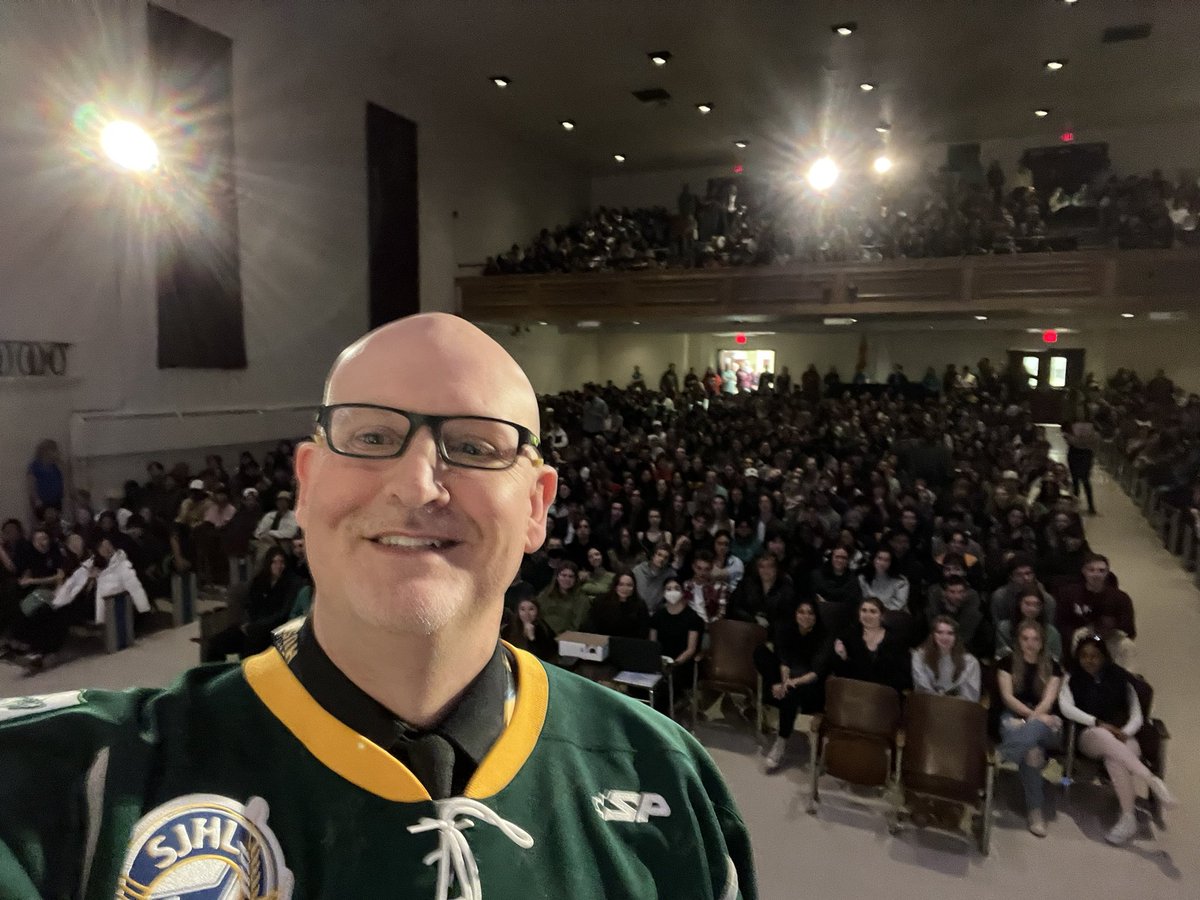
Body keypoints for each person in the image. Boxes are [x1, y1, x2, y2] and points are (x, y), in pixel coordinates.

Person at [0, 313, 756, 898]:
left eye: (477, 447)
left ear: (538, 505)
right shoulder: (82, 782)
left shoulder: (667, 778)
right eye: (370, 436)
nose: (418, 484)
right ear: (306, 482)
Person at [1058, 637, 1177, 844]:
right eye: (1084, 656)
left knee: (1117, 758)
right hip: (1089, 736)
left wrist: (1125, 732)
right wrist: (1096, 722)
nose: (1089, 660)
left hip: (1122, 735)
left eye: (1095, 656)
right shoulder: (1072, 678)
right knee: (1104, 736)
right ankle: (1151, 779)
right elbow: (1066, 707)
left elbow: (1137, 714)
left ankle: (1128, 818)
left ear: (1104, 657)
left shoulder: (1120, 678)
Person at [996, 619, 1064, 837]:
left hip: (1045, 721)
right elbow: (1007, 697)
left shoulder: (1053, 667)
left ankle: (1001, 755)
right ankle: (1035, 812)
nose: (1030, 643)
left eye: (1035, 639)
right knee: (1032, 754)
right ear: (1018, 640)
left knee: (1038, 730)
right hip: (1015, 716)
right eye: (1025, 639)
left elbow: (1048, 702)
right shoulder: (1006, 663)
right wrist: (1031, 719)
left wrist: (1030, 721)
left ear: (1042, 642)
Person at [760, 600, 829, 772]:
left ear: (815, 617)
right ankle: (778, 689)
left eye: (810, 613)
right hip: (789, 682)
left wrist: (793, 683)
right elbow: (785, 661)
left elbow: (816, 673)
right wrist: (783, 682)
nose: (805, 616)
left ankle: (781, 742)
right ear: (795, 614)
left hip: (812, 687)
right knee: (760, 652)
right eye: (801, 612)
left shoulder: (823, 637)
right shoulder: (788, 631)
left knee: (791, 694)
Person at [202, 547, 304, 662]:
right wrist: (246, 624)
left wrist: (256, 626)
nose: (278, 566)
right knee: (215, 643)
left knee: (251, 645)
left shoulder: (292, 583)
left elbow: (282, 614)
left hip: (271, 629)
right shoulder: (259, 581)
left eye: (282, 562)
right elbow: (250, 606)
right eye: (275, 562)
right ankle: (214, 675)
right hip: (251, 626)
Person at [832, 597, 910, 694]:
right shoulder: (849, 637)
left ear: (881, 616)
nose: (867, 615)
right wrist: (843, 658)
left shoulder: (895, 640)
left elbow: (904, 676)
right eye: (864, 610)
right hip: (856, 692)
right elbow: (841, 674)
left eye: (873, 611)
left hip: (885, 694)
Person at [649, 577, 705, 714]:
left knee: (667, 684)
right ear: (663, 593)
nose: (672, 592)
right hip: (660, 661)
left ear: (682, 592)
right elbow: (652, 644)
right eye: (668, 589)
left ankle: (660, 717)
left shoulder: (693, 618)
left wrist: (674, 664)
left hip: (682, 664)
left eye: (676, 588)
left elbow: (691, 649)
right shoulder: (657, 616)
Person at [911, 615, 981, 702]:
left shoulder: (970, 662)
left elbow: (970, 698)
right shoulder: (919, 656)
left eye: (950, 633)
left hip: (958, 708)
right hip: (928, 706)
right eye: (940, 632)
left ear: (956, 637)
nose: (944, 637)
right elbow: (922, 689)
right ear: (932, 635)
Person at [996, 587, 1063, 661]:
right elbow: (1000, 657)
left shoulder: (1051, 632)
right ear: (1019, 603)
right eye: (1027, 604)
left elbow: (1055, 660)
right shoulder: (1005, 628)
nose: (1032, 609)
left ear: (1041, 607)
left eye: (1036, 604)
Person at [584, 570, 650, 639]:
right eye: (621, 584)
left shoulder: (640, 605)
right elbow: (591, 626)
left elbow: (643, 633)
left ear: (634, 587)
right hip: (604, 643)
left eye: (629, 585)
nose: (625, 588)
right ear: (615, 586)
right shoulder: (601, 601)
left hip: (629, 645)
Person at [536, 559, 589, 634]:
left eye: (571, 576)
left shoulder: (582, 600)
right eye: (563, 575)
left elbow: (576, 626)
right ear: (557, 577)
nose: (567, 579)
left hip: (566, 639)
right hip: (543, 636)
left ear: (575, 579)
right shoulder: (545, 594)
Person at [502, 596, 558, 661]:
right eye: (522, 609)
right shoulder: (509, 629)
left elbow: (546, 656)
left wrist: (532, 639)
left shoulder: (543, 629)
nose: (527, 614)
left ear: (537, 611)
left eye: (531, 609)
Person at [632, 544, 675, 615]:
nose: (662, 559)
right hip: (637, 611)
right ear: (653, 556)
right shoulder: (638, 570)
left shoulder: (670, 574)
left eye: (666, 557)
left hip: (656, 613)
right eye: (659, 555)